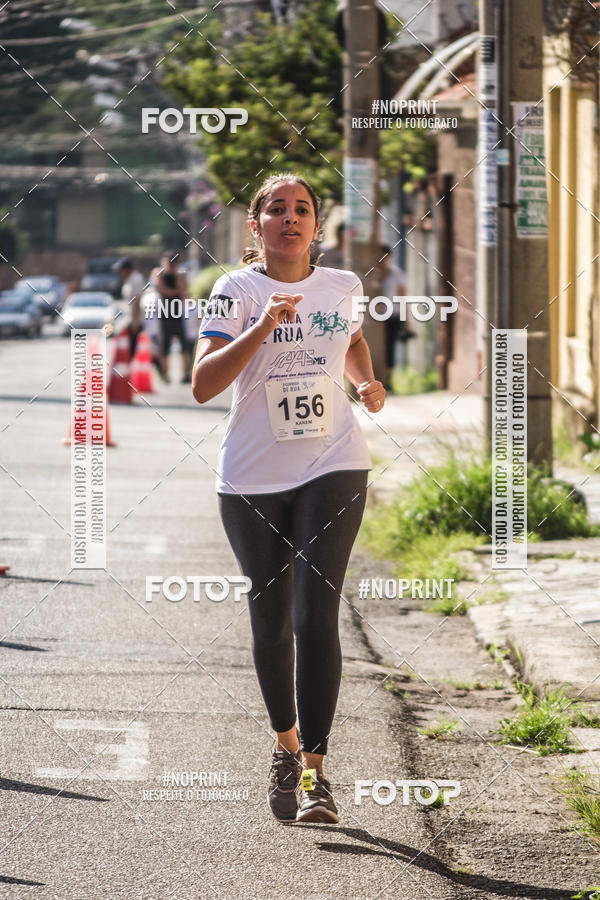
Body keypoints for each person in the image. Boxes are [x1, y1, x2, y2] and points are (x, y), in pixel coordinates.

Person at [192, 174, 385, 825]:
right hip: (251, 476)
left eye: (302, 209)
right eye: (277, 209)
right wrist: (263, 328)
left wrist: (364, 383)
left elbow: (352, 341)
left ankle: (316, 775)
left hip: (334, 462)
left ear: (315, 226)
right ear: (257, 226)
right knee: (271, 619)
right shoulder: (234, 291)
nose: (290, 218)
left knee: (314, 615)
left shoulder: (342, 288)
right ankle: (285, 742)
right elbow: (202, 383)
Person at [150, 251, 191, 383]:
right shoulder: (159, 272)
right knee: (164, 346)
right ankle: (165, 374)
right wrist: (177, 291)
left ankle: (185, 374)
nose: (172, 265)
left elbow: (184, 291)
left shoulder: (180, 274)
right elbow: (162, 289)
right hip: (164, 313)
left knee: (184, 345)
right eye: (170, 262)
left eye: (174, 262)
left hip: (178, 313)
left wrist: (177, 275)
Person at [379, 244, 415, 391]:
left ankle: (388, 382)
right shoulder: (371, 273)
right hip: (374, 319)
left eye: (384, 257)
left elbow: (402, 296)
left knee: (390, 348)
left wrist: (407, 321)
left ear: (389, 258)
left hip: (393, 315)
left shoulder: (396, 274)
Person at [113, 257, 146, 359]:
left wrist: (135, 323)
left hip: (135, 320)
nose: (119, 272)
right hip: (130, 319)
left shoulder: (135, 279)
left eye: (121, 269)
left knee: (134, 349)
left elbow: (137, 301)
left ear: (127, 269)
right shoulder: (129, 279)